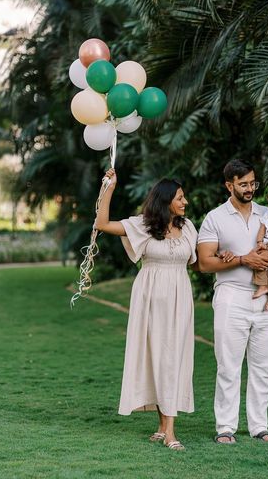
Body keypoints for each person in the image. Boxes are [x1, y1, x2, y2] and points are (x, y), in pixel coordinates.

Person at [197, 159, 268, 444]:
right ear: (228, 185)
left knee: (264, 367)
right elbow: (204, 263)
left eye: (252, 182)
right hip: (231, 297)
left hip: (267, 298)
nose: (249, 188)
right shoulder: (215, 217)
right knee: (228, 366)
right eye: (242, 184)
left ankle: (259, 426)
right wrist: (244, 259)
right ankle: (225, 428)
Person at [95, 168, 198, 451]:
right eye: (180, 197)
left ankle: (166, 427)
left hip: (180, 298)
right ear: (165, 200)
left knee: (175, 359)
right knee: (157, 357)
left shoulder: (188, 227)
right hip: (151, 298)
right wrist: (110, 187)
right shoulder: (142, 225)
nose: (185, 201)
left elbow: (196, 261)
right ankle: (168, 431)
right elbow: (102, 224)